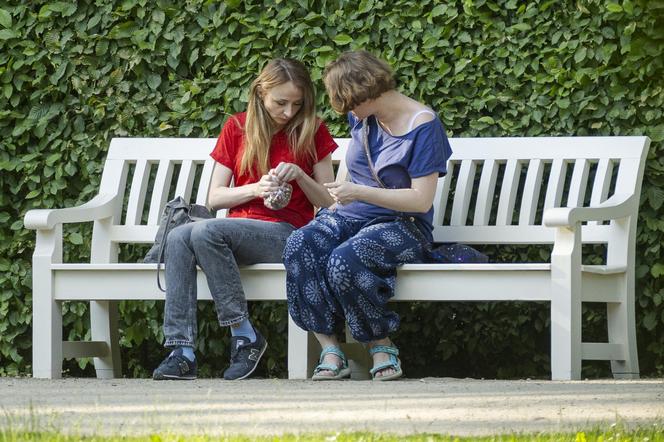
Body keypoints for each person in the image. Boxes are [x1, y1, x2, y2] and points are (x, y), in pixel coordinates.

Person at [153, 58, 337, 381]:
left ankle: (244, 335)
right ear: (260, 93)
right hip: (232, 235)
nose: (289, 112)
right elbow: (215, 197)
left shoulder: (313, 130)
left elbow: (329, 201)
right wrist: (255, 187)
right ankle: (181, 352)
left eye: (297, 103)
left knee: (203, 232)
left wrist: (299, 176)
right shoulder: (237, 128)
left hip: (287, 233)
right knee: (179, 237)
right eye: (281, 102)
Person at [283, 51, 452, 381]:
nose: (347, 112)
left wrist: (359, 192)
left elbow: (420, 201)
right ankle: (331, 351)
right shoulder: (362, 118)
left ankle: (380, 344)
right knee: (300, 243)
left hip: (403, 224)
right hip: (352, 215)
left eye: (349, 103)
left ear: (365, 92)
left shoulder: (424, 126)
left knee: (346, 259)